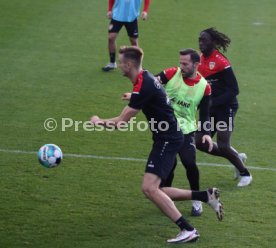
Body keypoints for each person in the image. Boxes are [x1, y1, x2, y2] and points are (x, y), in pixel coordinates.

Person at [91, 46, 224, 243]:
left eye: (121, 63)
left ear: (129, 65)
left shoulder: (144, 85)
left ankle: (188, 229)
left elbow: (121, 122)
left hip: (168, 139)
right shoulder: (144, 80)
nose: (119, 66)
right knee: (156, 190)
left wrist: (98, 121)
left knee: (149, 188)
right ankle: (205, 196)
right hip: (168, 137)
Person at [154, 48, 213, 217]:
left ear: (196, 64)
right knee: (168, 166)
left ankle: (197, 199)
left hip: (186, 130)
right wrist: (136, 94)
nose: (182, 67)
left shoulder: (205, 87)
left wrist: (206, 133)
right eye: (180, 63)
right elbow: (151, 84)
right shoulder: (172, 73)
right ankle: (165, 198)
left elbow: (205, 114)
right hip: (166, 128)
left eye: (185, 64)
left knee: (189, 162)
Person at [196, 27, 252, 187]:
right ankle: (235, 157)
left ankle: (245, 173)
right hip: (210, 107)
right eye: (199, 40)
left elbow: (234, 89)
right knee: (200, 142)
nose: (201, 43)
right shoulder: (200, 60)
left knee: (223, 144)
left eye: (204, 40)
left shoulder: (221, 62)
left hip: (226, 107)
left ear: (213, 42)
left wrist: (214, 102)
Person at [102, 0, 150, 72]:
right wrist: (109, 10)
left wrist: (145, 11)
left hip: (132, 17)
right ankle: (112, 63)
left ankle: (138, 66)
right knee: (111, 38)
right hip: (117, 15)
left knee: (134, 42)